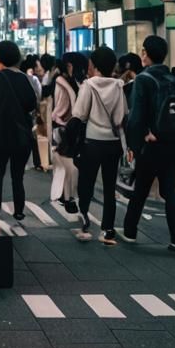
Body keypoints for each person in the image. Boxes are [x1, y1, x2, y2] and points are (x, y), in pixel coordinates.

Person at [121, 35, 175, 251]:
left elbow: (136, 117)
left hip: (150, 143)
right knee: (169, 190)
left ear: (146, 53)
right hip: (172, 144)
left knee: (140, 190)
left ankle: (130, 232)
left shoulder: (143, 79)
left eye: (143, 51)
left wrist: (134, 144)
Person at [72, 46, 126, 245]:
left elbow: (79, 114)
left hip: (92, 142)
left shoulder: (88, 85)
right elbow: (121, 117)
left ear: (94, 65)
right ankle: (108, 229)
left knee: (87, 182)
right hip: (113, 143)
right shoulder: (119, 86)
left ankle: (85, 220)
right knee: (110, 186)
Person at [0, 40, 37, 222]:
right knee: (18, 177)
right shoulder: (24, 79)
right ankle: (19, 211)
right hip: (21, 136)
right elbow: (31, 104)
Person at [49, 56, 81, 214]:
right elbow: (63, 106)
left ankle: (64, 196)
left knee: (66, 166)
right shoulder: (62, 81)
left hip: (66, 126)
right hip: (63, 126)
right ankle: (67, 198)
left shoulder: (68, 80)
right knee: (68, 166)